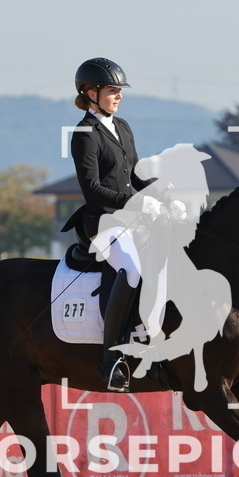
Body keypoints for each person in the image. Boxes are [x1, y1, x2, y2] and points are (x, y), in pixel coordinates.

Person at [66, 57, 156, 391]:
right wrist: (135, 201)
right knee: (131, 270)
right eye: (112, 90)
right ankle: (111, 358)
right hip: (103, 222)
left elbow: (133, 174)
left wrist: (161, 192)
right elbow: (92, 189)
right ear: (90, 93)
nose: (119, 96)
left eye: (120, 91)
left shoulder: (124, 127)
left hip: (133, 218)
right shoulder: (84, 133)